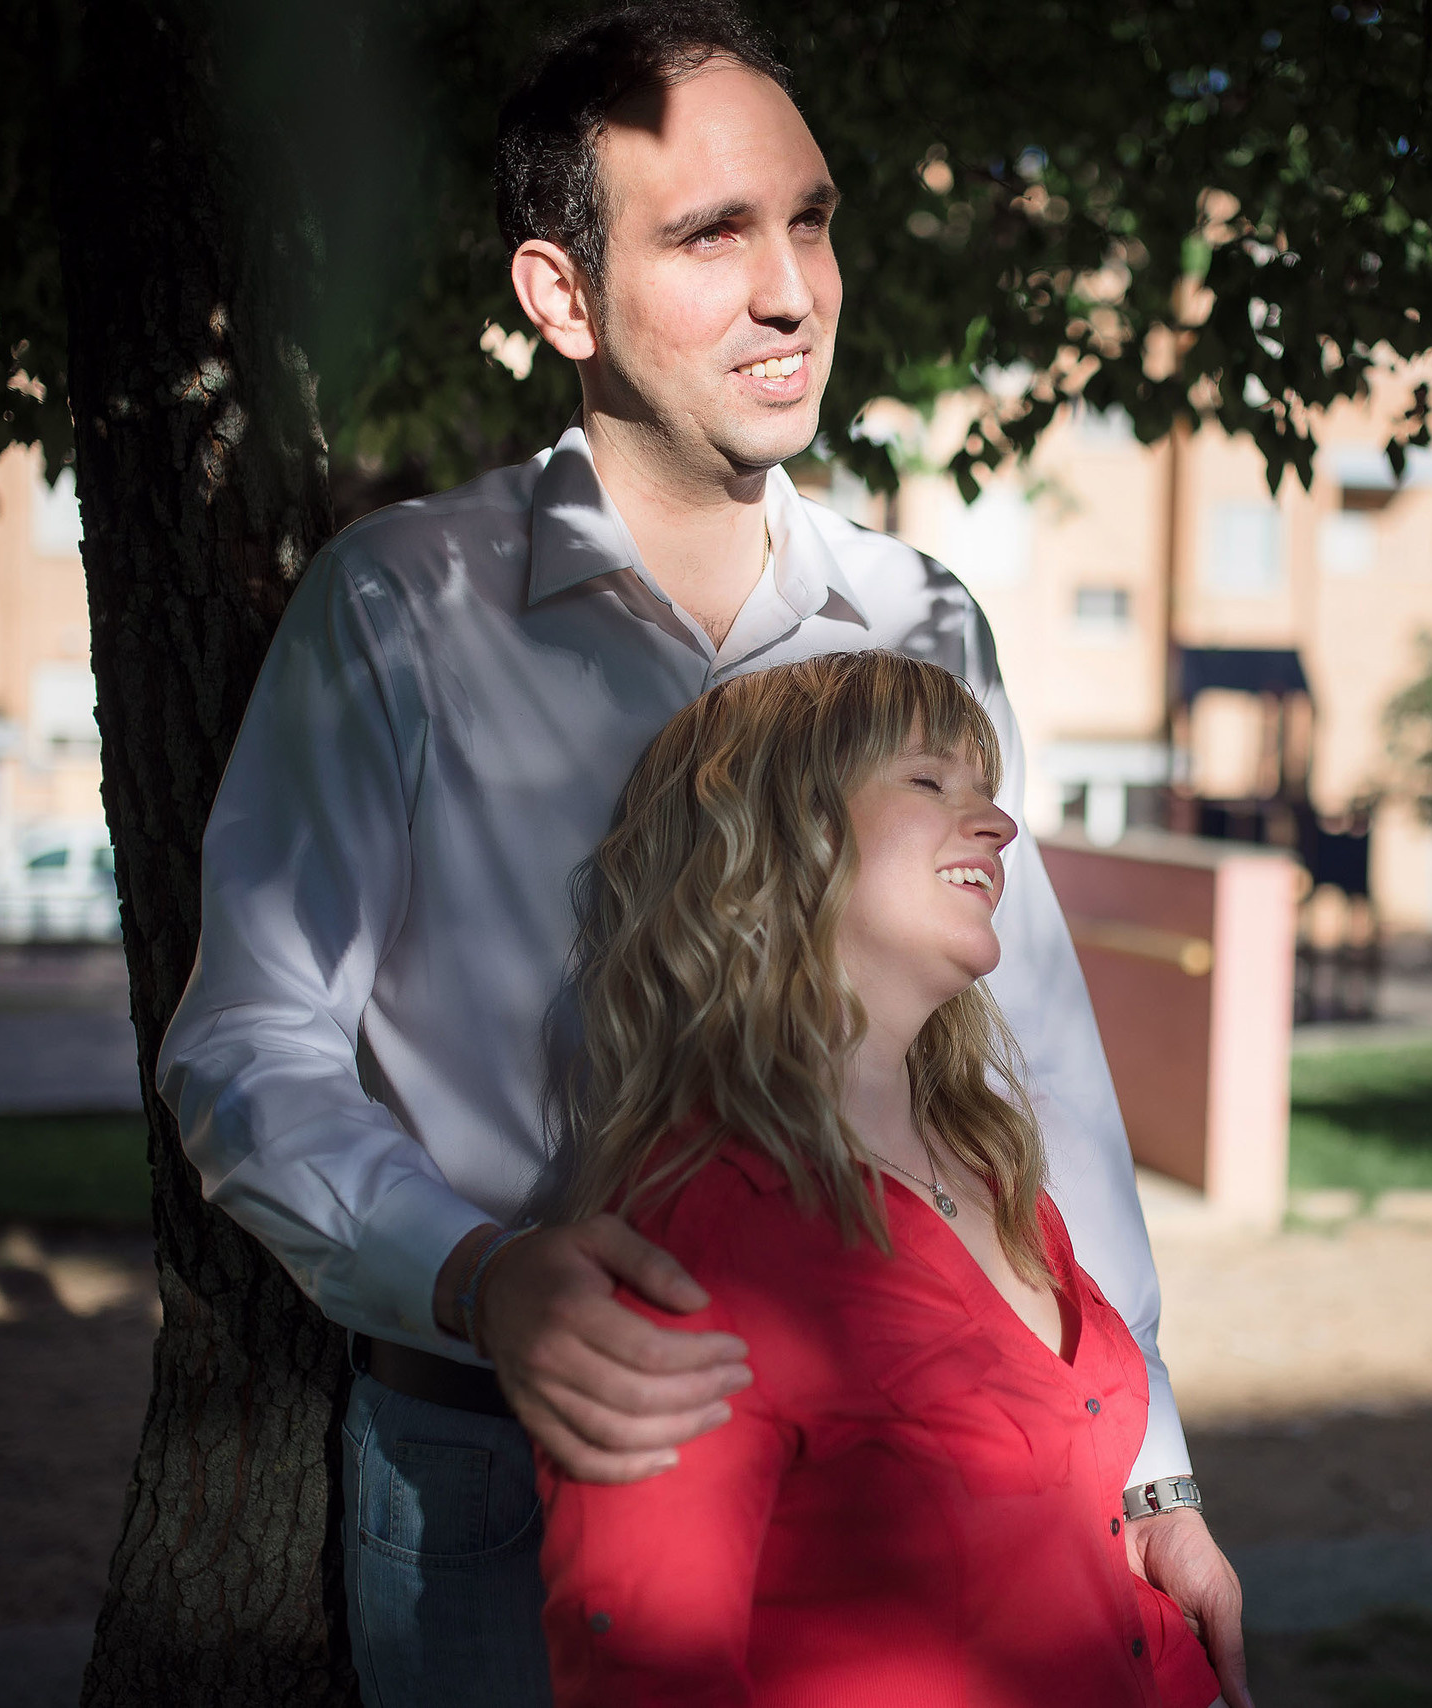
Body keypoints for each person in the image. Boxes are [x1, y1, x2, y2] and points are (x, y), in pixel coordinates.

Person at [152, 4, 1250, 1705]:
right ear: (560, 295)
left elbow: (1034, 1065)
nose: (792, 288)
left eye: (810, 219)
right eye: (711, 234)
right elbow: (247, 1046)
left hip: (915, 1464)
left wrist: (1146, 1464)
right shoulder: (403, 611)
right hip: (496, 1458)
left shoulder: (918, 618)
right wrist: (475, 1274)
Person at [533, 651, 1221, 1707]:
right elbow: (648, 1667)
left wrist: (1161, 1522)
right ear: (783, 840)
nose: (996, 824)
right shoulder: (708, 1234)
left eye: (988, 790)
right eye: (929, 782)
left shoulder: (994, 1168)